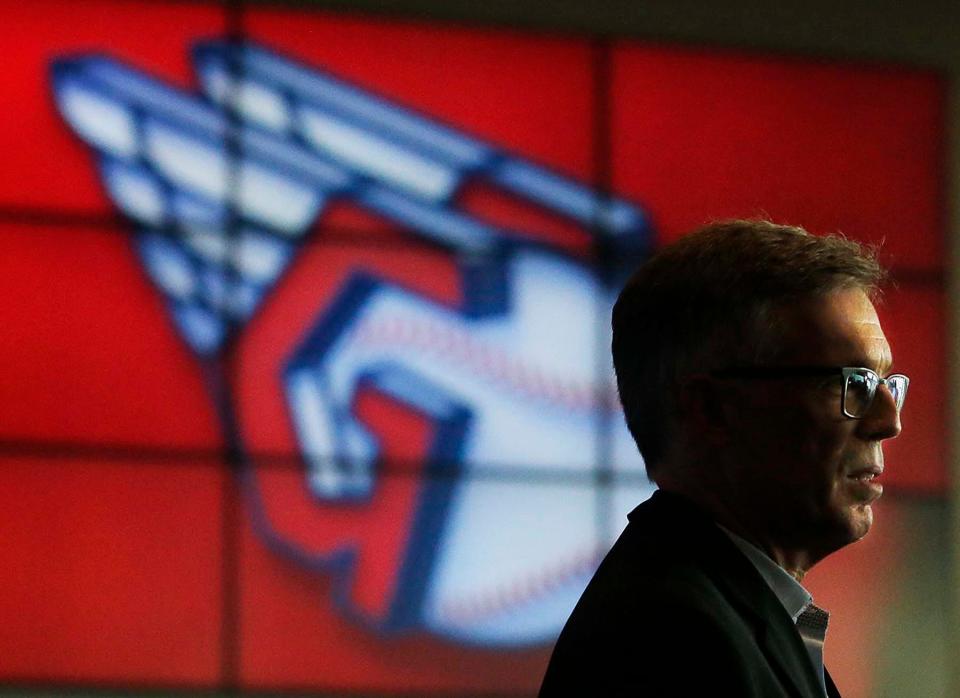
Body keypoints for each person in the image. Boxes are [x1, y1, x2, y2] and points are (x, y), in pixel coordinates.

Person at [539, 220, 907, 697]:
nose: (888, 421)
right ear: (711, 410)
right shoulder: (670, 638)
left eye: (887, 384)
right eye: (851, 384)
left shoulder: (728, 607)